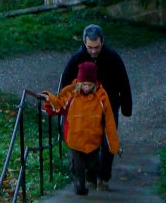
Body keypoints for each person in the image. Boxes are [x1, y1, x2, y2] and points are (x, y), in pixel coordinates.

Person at [59, 23, 132, 190]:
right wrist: (63, 105)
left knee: (107, 143)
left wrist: (126, 107)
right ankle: (89, 176)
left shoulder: (113, 57)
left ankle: (103, 177)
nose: (93, 51)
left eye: (96, 47)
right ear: (85, 43)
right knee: (86, 142)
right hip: (85, 109)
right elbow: (65, 84)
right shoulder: (77, 58)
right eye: (90, 47)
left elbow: (124, 82)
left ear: (102, 42)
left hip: (109, 104)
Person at [43, 62, 120, 195]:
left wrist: (113, 145)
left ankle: (91, 178)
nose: (86, 87)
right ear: (79, 82)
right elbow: (59, 105)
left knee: (93, 165)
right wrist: (49, 98)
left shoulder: (101, 96)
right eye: (84, 84)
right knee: (78, 166)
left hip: (93, 140)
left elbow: (109, 121)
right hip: (75, 138)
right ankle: (79, 184)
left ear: (94, 83)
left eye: (89, 85)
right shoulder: (71, 94)